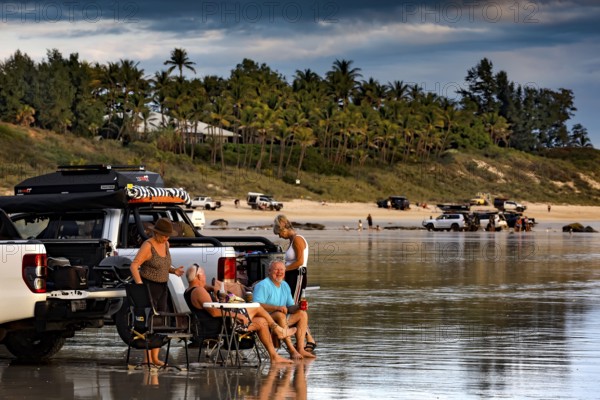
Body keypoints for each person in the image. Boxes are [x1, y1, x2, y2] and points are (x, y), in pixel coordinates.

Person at [184, 264, 295, 364]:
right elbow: (213, 312)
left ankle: (274, 355)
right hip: (222, 327)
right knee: (257, 307)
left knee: (262, 321)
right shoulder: (199, 291)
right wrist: (237, 315)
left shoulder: (189, 290)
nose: (205, 278)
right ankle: (278, 332)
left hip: (214, 326)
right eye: (203, 276)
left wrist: (213, 289)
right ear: (199, 277)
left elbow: (205, 289)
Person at [129, 217, 185, 367]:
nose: (167, 237)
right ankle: (147, 358)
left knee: (160, 322)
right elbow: (134, 266)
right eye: (165, 235)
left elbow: (163, 266)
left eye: (168, 235)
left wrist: (174, 271)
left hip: (162, 287)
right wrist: (139, 285)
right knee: (149, 322)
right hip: (148, 286)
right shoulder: (148, 245)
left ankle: (155, 357)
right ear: (157, 233)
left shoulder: (166, 244)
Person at [254, 260, 317, 360]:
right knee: (280, 314)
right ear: (269, 271)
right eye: (276, 269)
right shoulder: (263, 285)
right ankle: (292, 350)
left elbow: (290, 307)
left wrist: (298, 307)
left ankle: (300, 349)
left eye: (282, 270)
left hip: (282, 320)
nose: (279, 272)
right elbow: (256, 305)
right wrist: (276, 308)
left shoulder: (285, 285)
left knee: (302, 314)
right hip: (266, 320)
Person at [272, 214, 317, 352]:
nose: (280, 236)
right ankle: (307, 339)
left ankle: (308, 339)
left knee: (296, 307)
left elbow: (299, 262)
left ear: (284, 228)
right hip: (292, 275)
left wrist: (283, 269)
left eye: (279, 233)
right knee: (293, 306)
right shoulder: (292, 241)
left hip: (298, 275)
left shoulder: (297, 240)